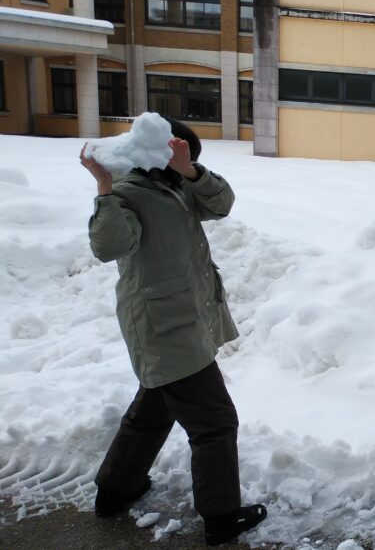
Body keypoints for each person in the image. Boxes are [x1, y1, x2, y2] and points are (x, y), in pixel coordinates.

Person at [80, 117, 266, 546]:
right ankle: (221, 518)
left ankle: (115, 490)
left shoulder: (175, 186)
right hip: (163, 326)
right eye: (179, 155)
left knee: (155, 408)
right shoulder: (128, 191)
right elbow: (109, 247)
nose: (186, 162)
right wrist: (104, 187)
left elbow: (221, 204)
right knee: (215, 423)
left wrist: (189, 170)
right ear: (156, 154)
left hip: (182, 317)